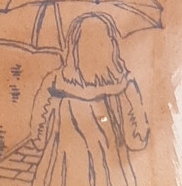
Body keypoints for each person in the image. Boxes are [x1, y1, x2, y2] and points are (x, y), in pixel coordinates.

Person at [29, 12, 149, 186]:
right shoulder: (124, 84)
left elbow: (38, 130)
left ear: (73, 45)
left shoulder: (55, 81)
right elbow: (137, 139)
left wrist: (41, 141)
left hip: (63, 169)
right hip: (109, 172)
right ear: (110, 45)